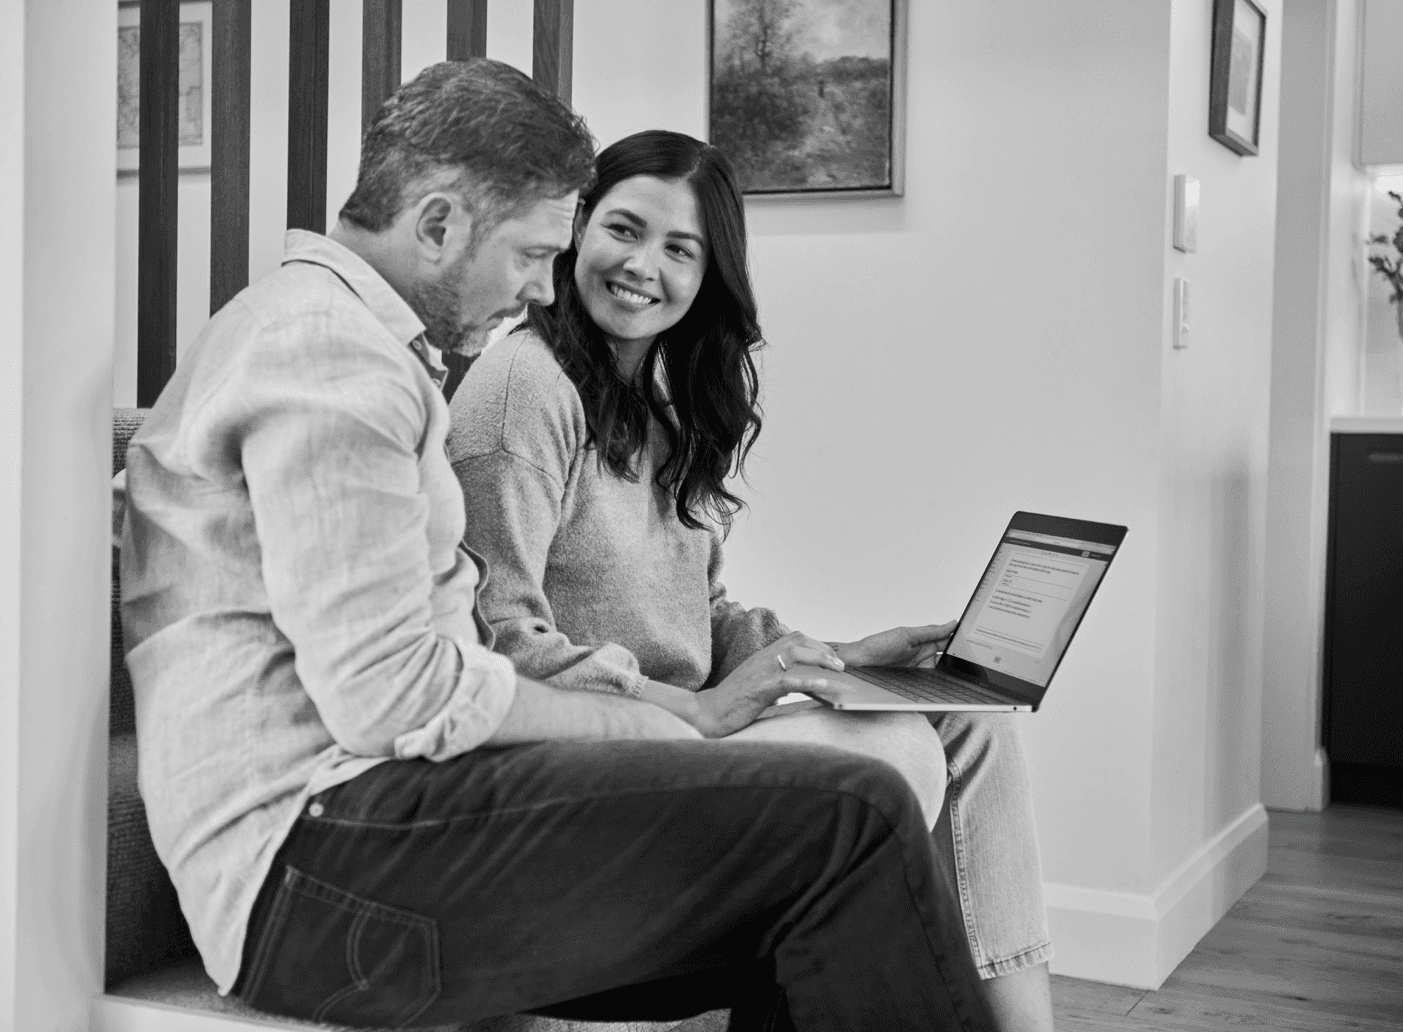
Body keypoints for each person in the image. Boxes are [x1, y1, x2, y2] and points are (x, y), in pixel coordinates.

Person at [120, 60, 994, 1031]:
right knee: (852, 814)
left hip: (370, 837)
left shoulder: (362, 353)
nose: (546, 285)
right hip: (316, 880)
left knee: (808, 872)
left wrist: (738, 696)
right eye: (536, 252)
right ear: (440, 222)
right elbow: (389, 695)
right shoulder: (325, 352)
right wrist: (663, 723)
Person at [447, 129, 1055, 1032]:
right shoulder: (522, 386)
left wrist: (838, 658)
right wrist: (687, 708)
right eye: (623, 229)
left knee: (964, 715)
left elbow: (701, 610)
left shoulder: (658, 398)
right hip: (597, 758)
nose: (642, 266)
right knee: (895, 759)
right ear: (577, 232)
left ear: (709, 275)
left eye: (679, 249)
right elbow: (500, 638)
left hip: (691, 732)